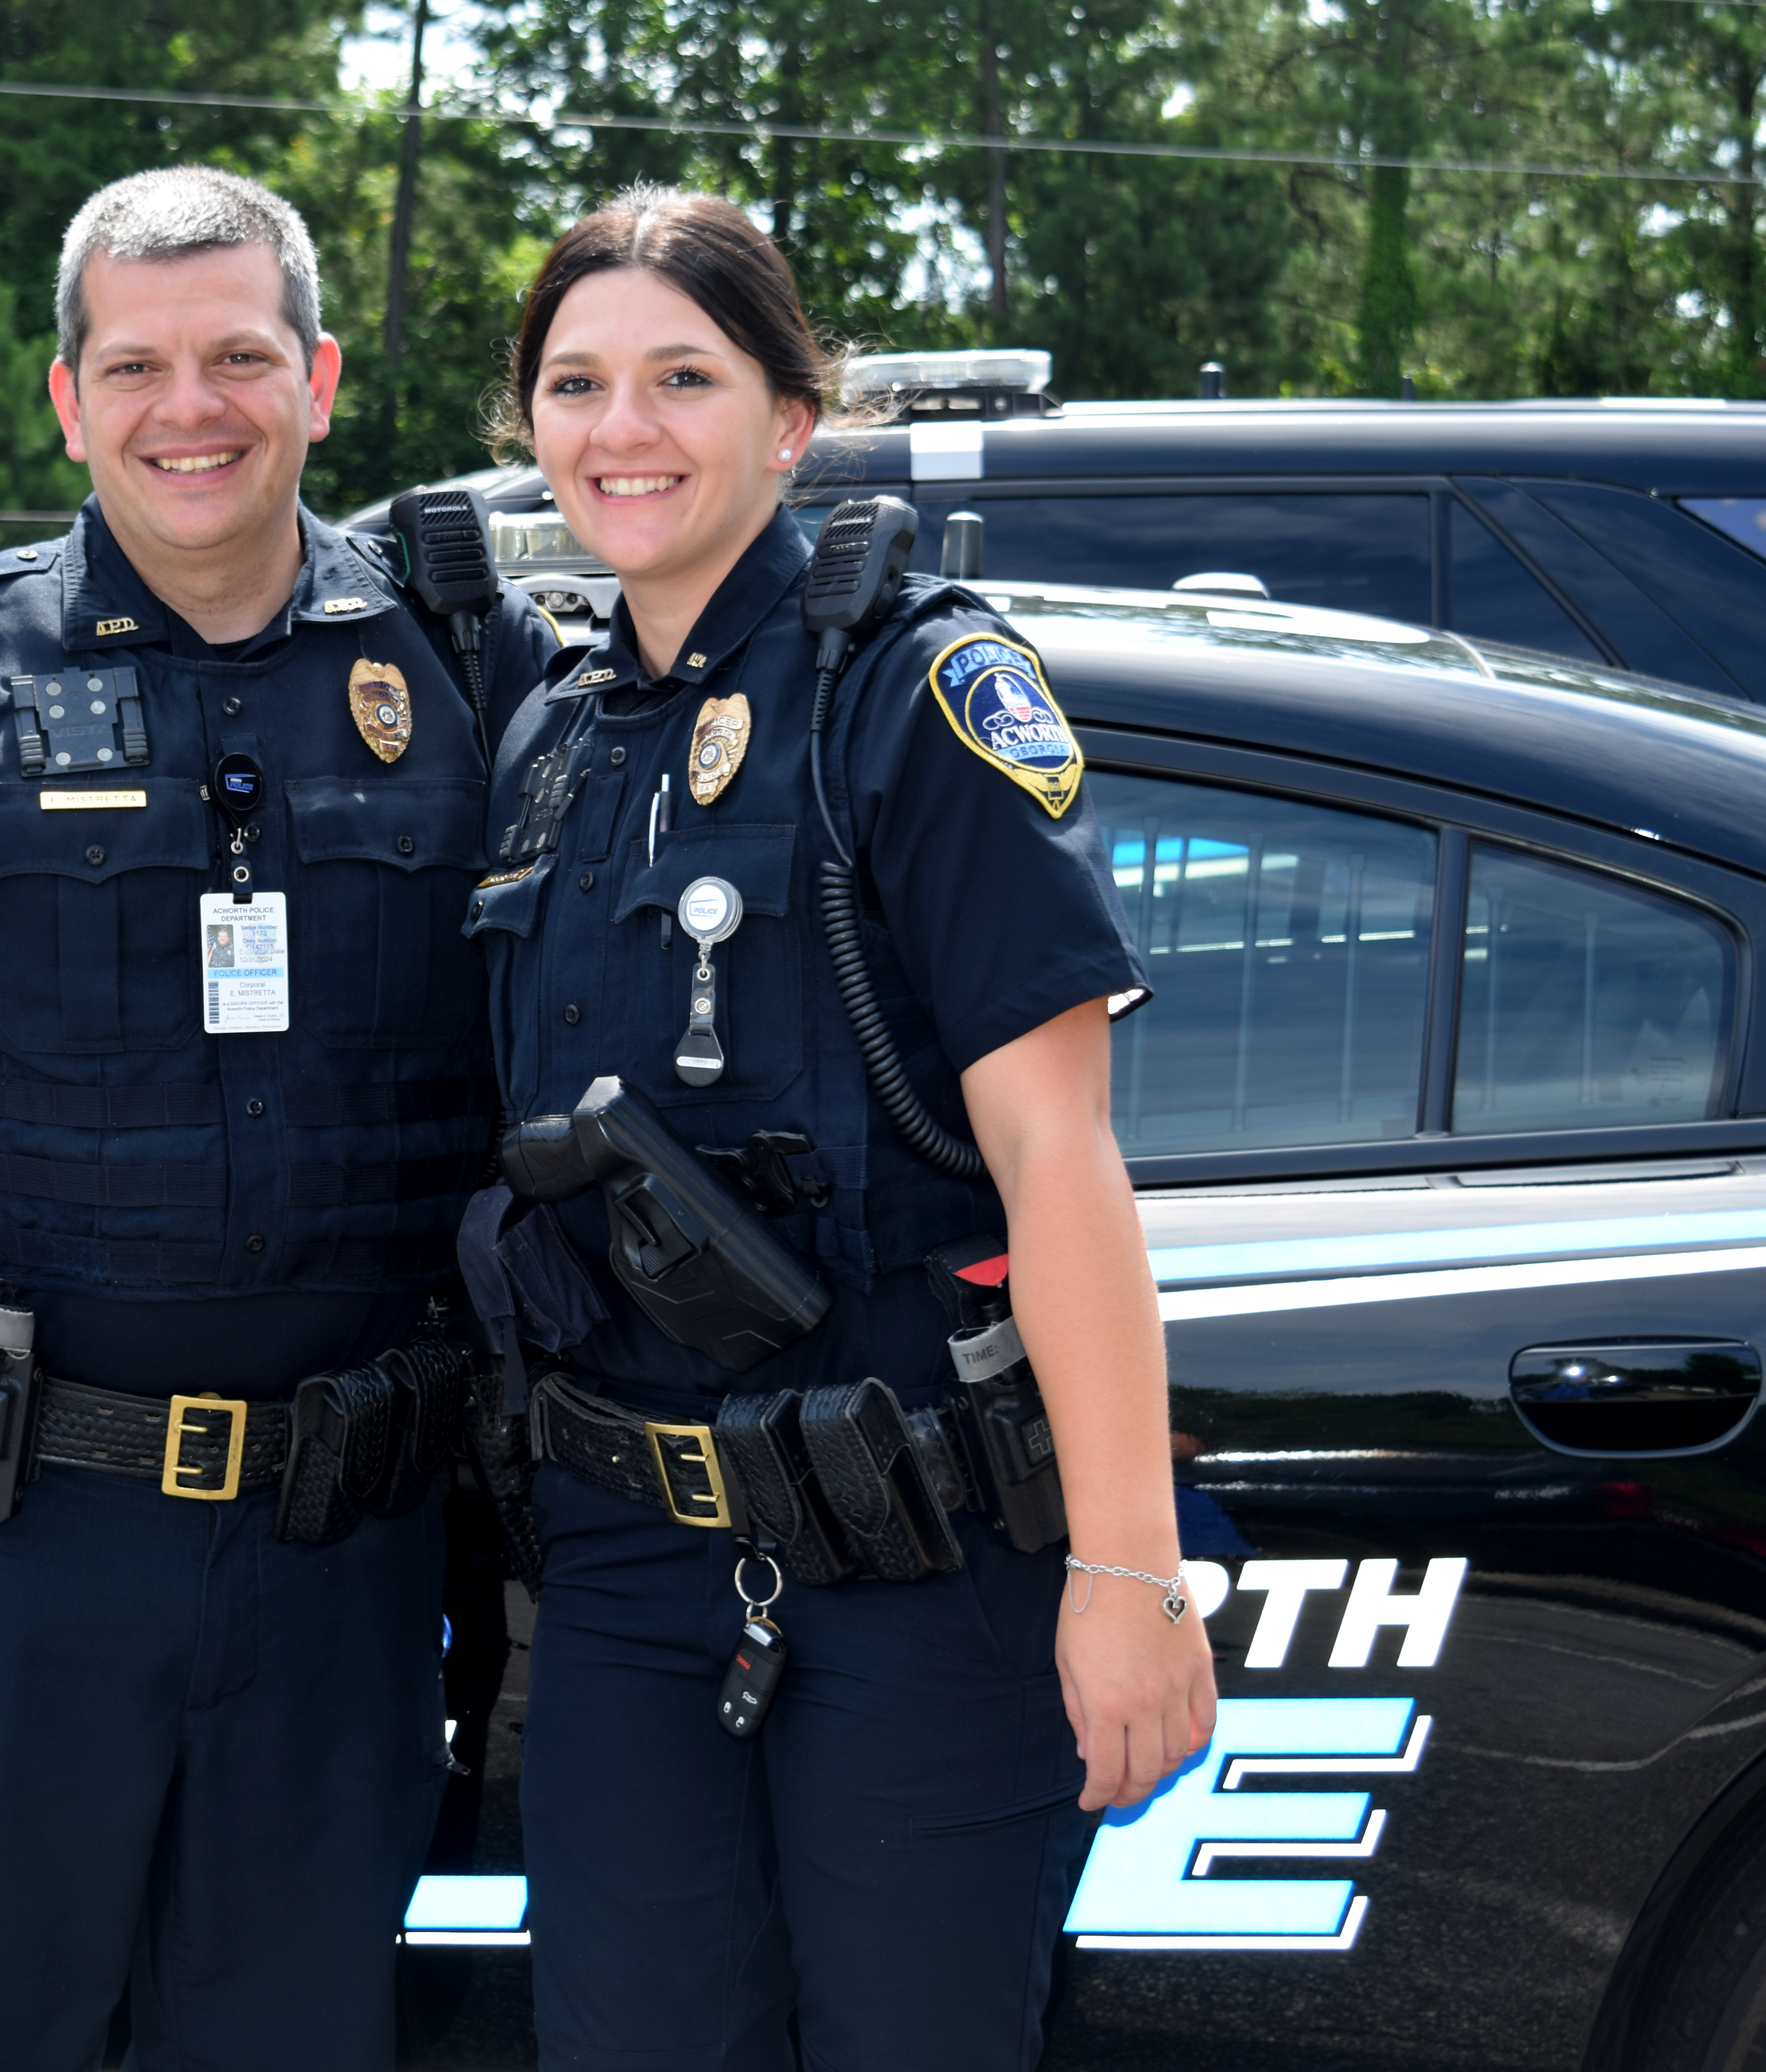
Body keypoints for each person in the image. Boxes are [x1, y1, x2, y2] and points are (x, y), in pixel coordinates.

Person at [0, 165, 554, 2070]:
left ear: (317, 376)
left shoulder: (468, 672)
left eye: (241, 355)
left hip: (356, 1548)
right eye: (138, 364)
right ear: (67, 400)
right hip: (21, 1547)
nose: (193, 408)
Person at [459, 188, 1215, 2070]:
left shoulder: (914, 696)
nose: (621, 431)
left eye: (682, 379)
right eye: (577, 385)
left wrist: (1128, 1571)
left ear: (793, 418)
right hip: (628, 1581)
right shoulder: (552, 734)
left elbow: (1062, 1160)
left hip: (916, 1565)